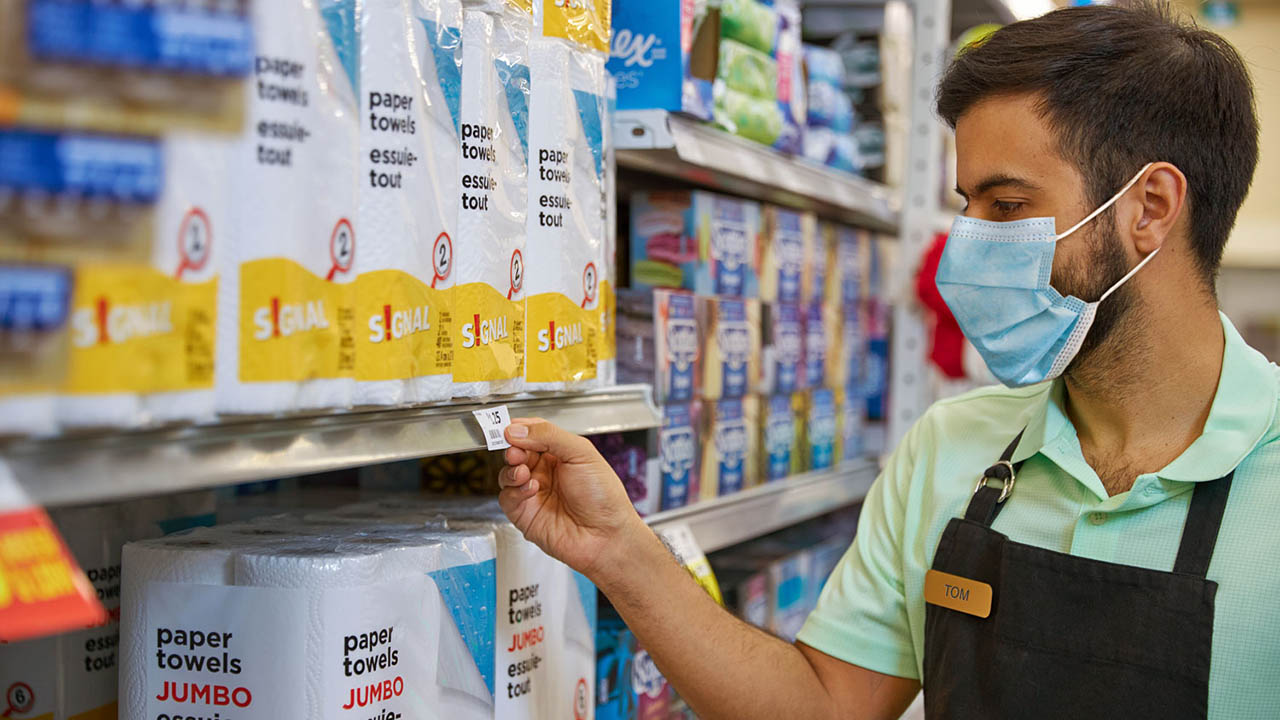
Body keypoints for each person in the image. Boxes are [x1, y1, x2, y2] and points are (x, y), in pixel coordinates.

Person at [498, 2, 1280, 718]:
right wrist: (619, 552)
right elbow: (828, 705)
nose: (964, 246)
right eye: (965, 204)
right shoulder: (954, 448)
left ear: (1150, 209)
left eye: (1007, 207)